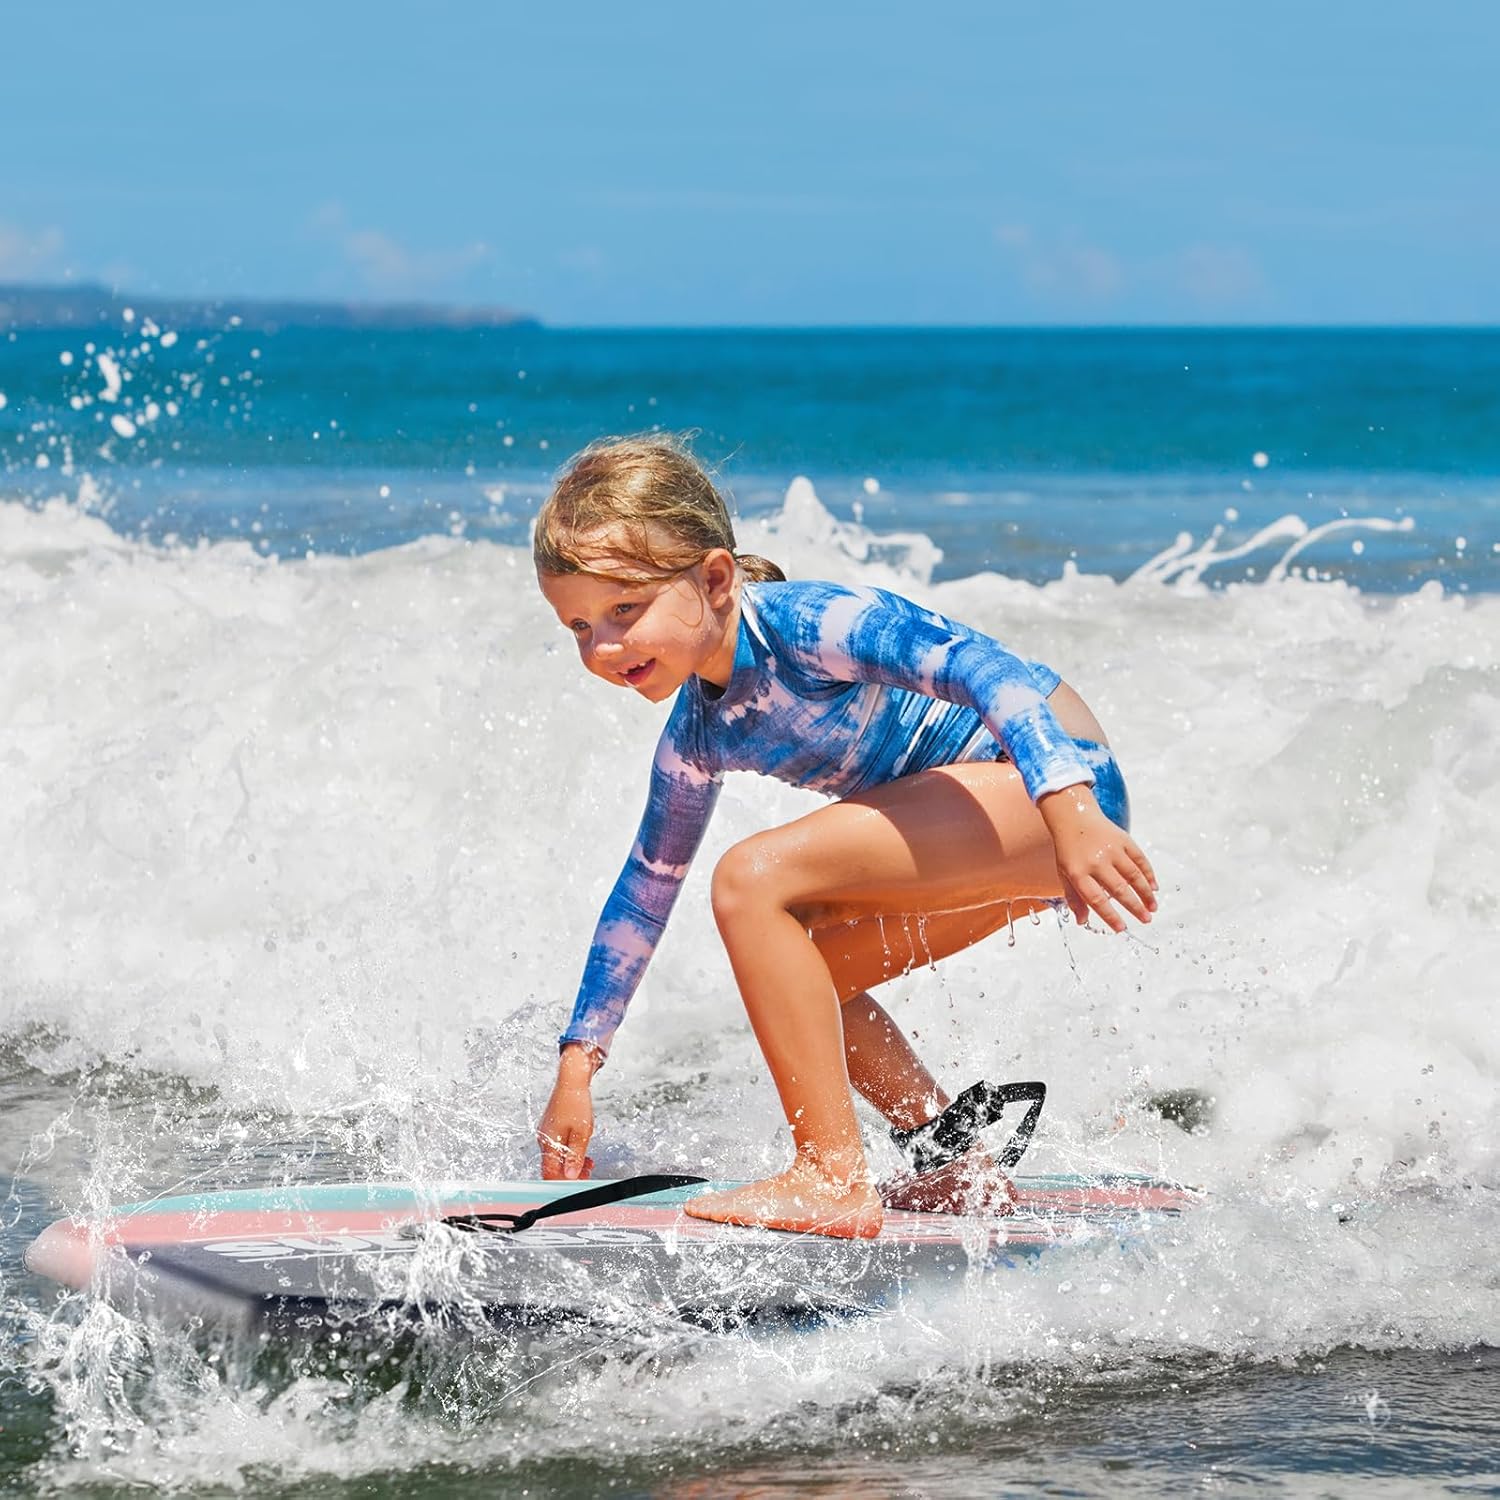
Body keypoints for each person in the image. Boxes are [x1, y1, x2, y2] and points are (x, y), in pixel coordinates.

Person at [532, 434, 1157, 1239]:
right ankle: (947, 1157)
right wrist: (577, 1066)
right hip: (995, 826)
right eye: (579, 626)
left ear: (714, 579)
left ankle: (830, 1174)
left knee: (750, 879)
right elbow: (645, 890)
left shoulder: (809, 625)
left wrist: (1069, 810)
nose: (604, 646)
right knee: (804, 970)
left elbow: (984, 668)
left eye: (625, 610)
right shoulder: (697, 734)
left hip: (1052, 788)